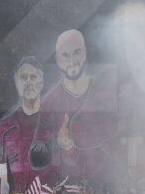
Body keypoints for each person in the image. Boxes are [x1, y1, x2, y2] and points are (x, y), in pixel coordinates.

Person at [35, 30, 121, 185]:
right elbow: (36, 156)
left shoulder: (104, 93)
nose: (71, 60)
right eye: (65, 55)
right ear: (57, 59)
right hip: (67, 187)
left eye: (76, 52)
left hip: (107, 184)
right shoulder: (50, 102)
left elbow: (120, 133)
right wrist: (58, 142)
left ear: (85, 53)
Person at [0, 56, 53, 192]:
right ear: (16, 83)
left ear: (41, 83)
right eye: (23, 78)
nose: (28, 82)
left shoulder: (55, 123)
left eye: (33, 77)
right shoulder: (3, 129)